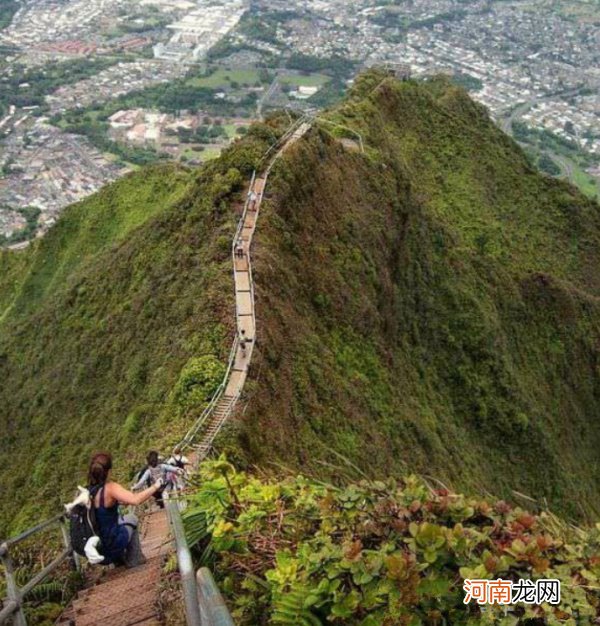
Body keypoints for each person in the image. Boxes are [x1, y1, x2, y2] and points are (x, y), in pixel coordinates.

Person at [88, 451, 162, 567]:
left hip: (96, 550)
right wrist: (155, 486)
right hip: (111, 546)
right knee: (131, 518)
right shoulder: (110, 488)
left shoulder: (87, 492)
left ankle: (119, 560)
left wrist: (118, 502)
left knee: (115, 525)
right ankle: (134, 558)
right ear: (109, 471)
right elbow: (136, 500)